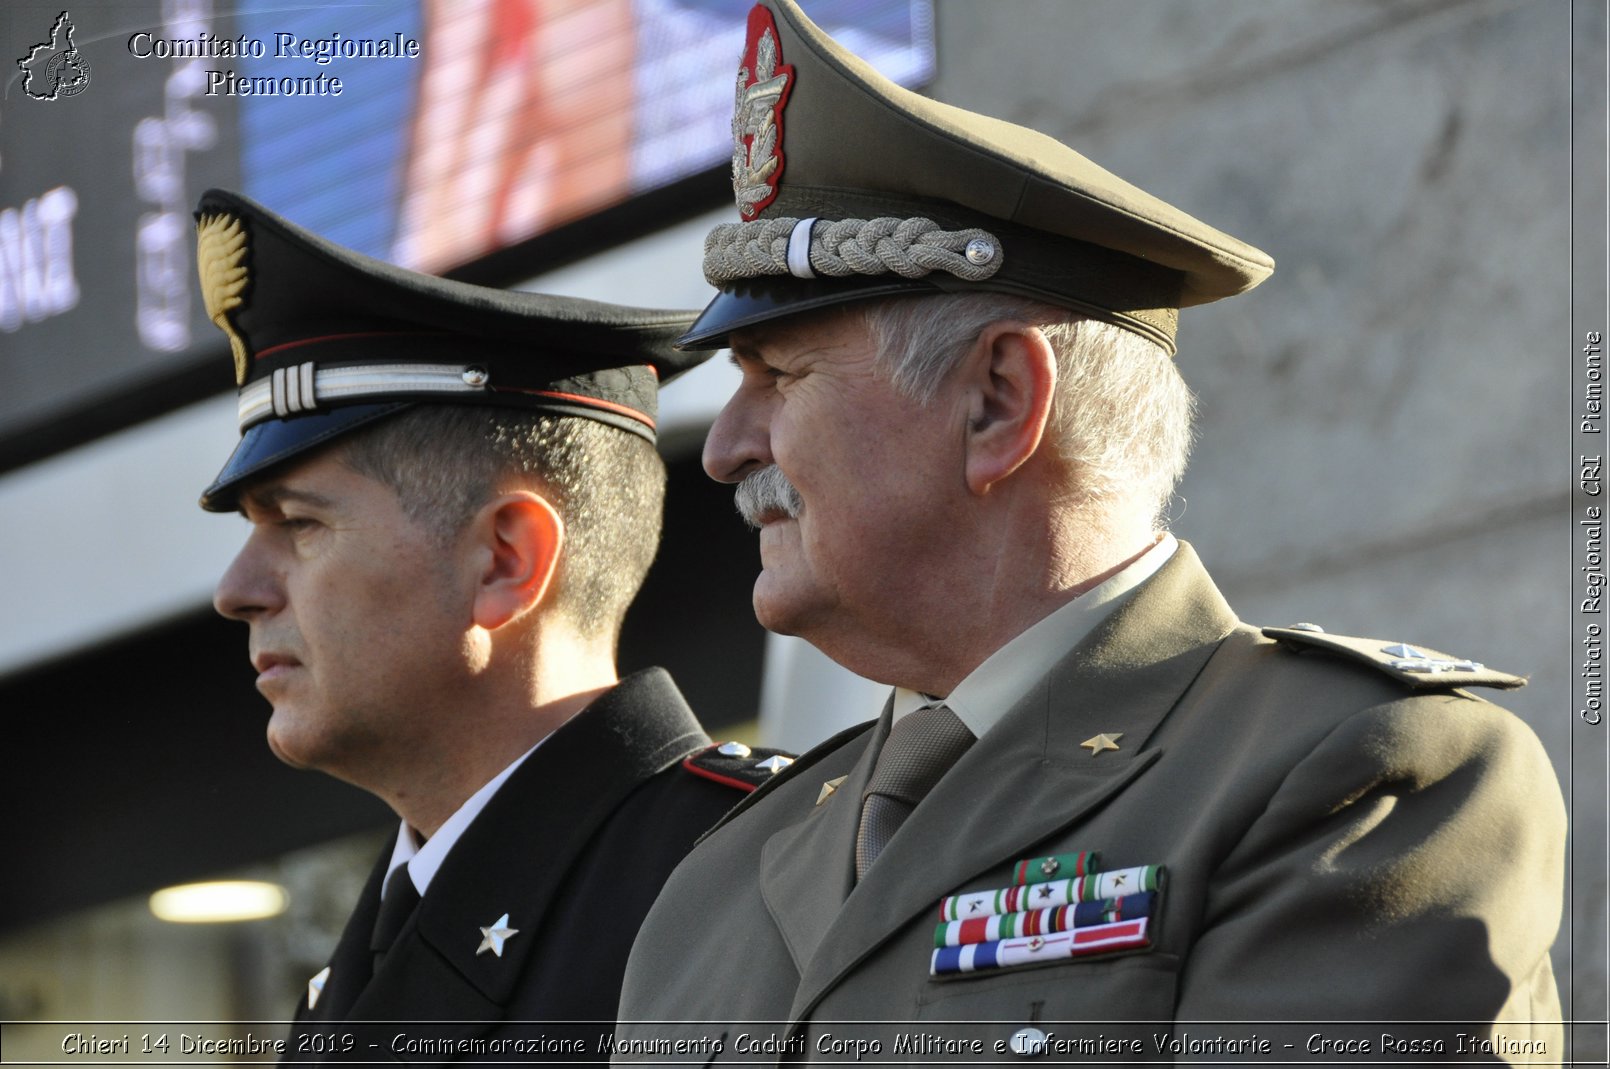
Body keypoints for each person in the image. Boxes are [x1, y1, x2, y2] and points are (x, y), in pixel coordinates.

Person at [613, 1, 1565, 1061]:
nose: (725, 447)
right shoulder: (726, 868)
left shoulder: (1360, 775)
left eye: (778, 376)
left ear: (997, 402)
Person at [195, 189, 789, 1063]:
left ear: (506, 559)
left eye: (300, 524)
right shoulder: (356, 970)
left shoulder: (762, 881)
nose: (237, 589)